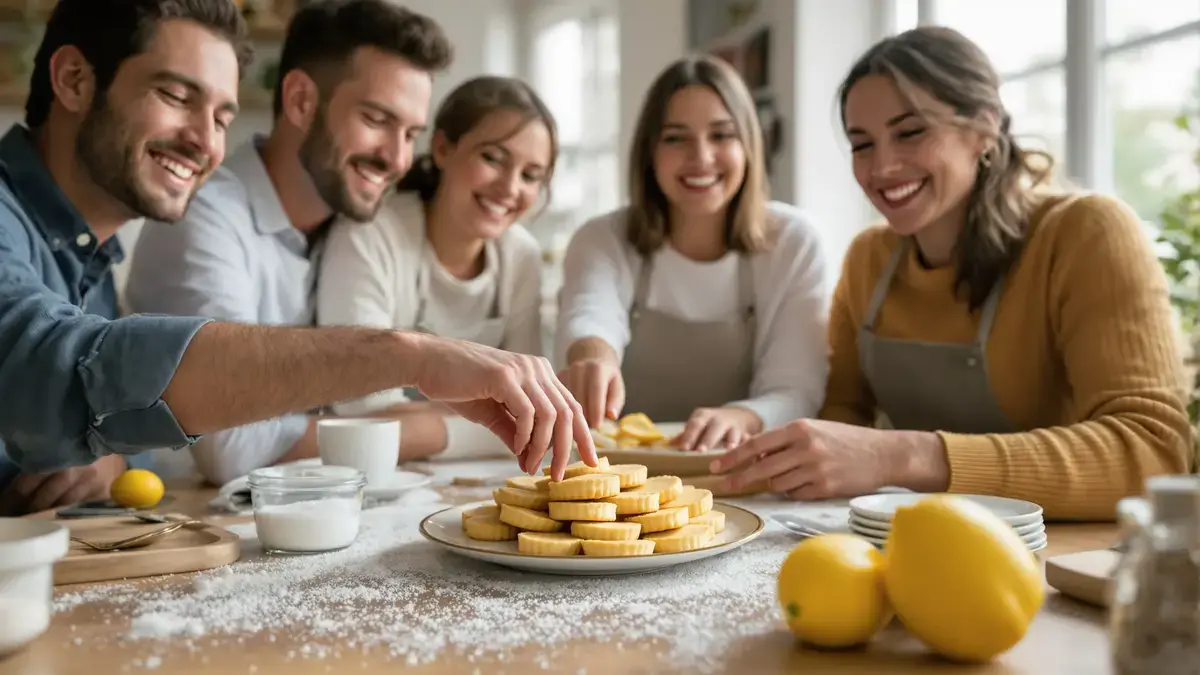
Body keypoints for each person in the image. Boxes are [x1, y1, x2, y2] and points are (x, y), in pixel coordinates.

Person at [0, 0, 594, 515]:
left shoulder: (91, 254)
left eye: (222, 118)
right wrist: (409, 358)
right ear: (75, 80)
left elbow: (107, 418)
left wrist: (103, 458)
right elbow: (91, 373)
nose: (206, 143)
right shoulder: (201, 219)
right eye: (176, 96)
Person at [711, 26, 1193, 520]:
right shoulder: (869, 259)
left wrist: (900, 455)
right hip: (917, 540)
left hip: (1059, 558)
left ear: (984, 129)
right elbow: (842, 416)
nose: (882, 167)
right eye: (862, 144)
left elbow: (1152, 453)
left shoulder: (1085, 233)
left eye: (911, 131)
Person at [121, 2, 544, 485]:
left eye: (410, 133)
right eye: (377, 119)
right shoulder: (205, 219)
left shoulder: (342, 227)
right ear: (301, 100)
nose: (398, 158)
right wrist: (439, 428)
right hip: (173, 520)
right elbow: (233, 446)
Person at [555, 55, 830, 452]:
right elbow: (589, 317)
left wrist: (742, 417)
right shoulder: (602, 238)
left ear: (750, 145)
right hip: (620, 476)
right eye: (675, 137)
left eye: (721, 135)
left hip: (745, 471)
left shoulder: (795, 242)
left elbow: (797, 388)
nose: (700, 157)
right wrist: (594, 358)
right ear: (649, 153)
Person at [315, 75, 556, 464]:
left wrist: (420, 428)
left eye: (531, 175)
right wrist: (488, 428)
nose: (510, 188)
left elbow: (532, 414)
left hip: (474, 477)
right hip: (366, 476)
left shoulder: (521, 256)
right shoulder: (370, 235)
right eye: (493, 158)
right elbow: (357, 410)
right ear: (443, 148)